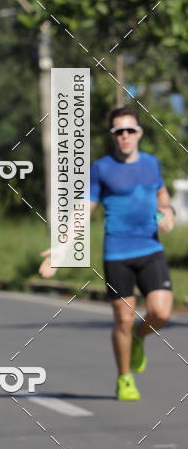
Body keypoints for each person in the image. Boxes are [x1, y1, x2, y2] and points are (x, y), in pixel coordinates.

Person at [40, 106, 175, 401]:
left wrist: (168, 211)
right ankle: (125, 377)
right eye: (119, 131)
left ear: (139, 132)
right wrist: (62, 249)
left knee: (162, 312)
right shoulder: (101, 168)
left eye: (130, 130)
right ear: (113, 135)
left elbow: (162, 195)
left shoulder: (152, 164)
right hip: (117, 255)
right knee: (123, 320)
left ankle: (140, 338)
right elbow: (83, 211)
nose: (125, 136)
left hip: (151, 249)